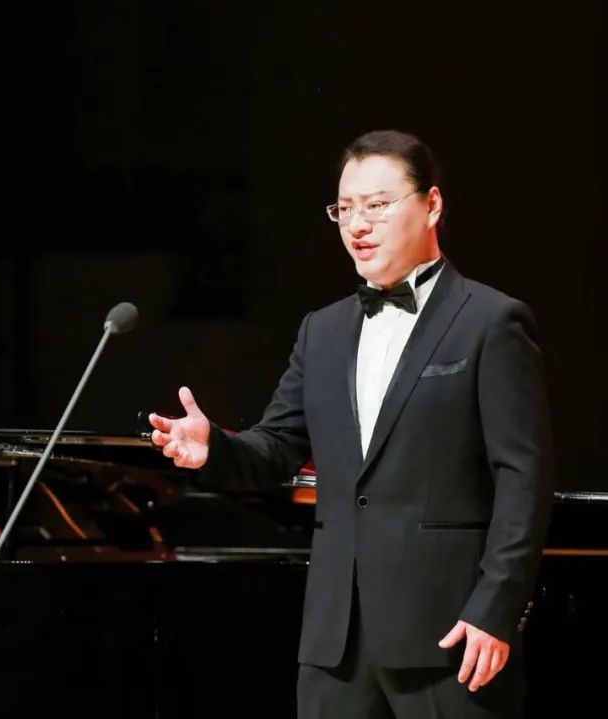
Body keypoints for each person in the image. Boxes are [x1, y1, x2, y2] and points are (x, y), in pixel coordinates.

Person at [149, 130, 554, 718]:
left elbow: (523, 478)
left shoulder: (491, 322)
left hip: (449, 636)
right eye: (345, 209)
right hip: (335, 645)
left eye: (378, 205)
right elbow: (278, 446)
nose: (358, 225)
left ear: (432, 205)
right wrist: (215, 448)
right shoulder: (323, 330)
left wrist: (497, 608)